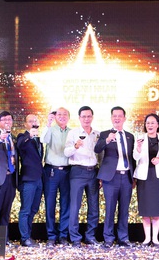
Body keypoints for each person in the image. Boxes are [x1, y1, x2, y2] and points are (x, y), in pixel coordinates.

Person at [95, 106, 135, 248]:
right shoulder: (105, 134)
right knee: (110, 208)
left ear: (124, 118)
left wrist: (134, 177)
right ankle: (108, 238)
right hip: (111, 178)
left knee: (124, 209)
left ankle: (123, 238)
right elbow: (97, 149)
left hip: (126, 177)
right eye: (114, 116)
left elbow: (133, 157)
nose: (117, 118)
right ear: (111, 118)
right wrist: (106, 140)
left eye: (120, 116)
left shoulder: (130, 136)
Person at [133, 113, 159, 245]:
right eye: (148, 123)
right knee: (145, 208)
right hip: (144, 176)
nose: (150, 125)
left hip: (158, 176)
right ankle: (147, 238)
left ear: (157, 125)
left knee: (156, 208)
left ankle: (155, 238)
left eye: (152, 123)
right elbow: (135, 157)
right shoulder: (140, 139)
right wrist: (138, 148)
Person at [64, 106, 100, 247]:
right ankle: (75, 238)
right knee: (75, 206)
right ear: (79, 118)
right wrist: (75, 146)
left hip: (93, 172)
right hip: (77, 172)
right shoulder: (73, 133)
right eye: (83, 116)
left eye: (89, 116)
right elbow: (66, 152)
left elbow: (101, 155)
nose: (86, 119)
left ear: (92, 117)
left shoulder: (97, 134)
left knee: (94, 206)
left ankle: (90, 236)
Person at [42, 107, 72, 245]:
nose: (62, 116)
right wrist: (48, 123)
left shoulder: (72, 132)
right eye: (59, 114)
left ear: (69, 117)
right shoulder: (50, 129)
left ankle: (63, 235)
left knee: (66, 204)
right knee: (50, 204)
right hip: (51, 171)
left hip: (67, 171)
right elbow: (43, 139)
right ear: (54, 116)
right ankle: (51, 235)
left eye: (65, 114)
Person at [16, 114, 44, 246]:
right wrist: (30, 136)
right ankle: (24, 238)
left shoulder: (38, 139)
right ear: (25, 124)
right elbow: (20, 145)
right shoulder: (23, 137)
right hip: (28, 179)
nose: (33, 123)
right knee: (26, 210)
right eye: (30, 121)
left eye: (35, 121)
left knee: (34, 209)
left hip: (39, 179)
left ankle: (28, 235)